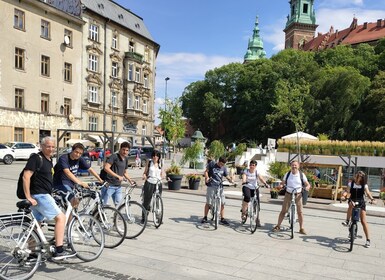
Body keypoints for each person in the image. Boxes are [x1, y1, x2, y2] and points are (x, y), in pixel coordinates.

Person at [22, 136, 75, 260]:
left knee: (36, 224)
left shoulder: (49, 160)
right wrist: (28, 196)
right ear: (42, 146)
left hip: (43, 195)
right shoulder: (36, 158)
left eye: (52, 146)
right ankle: (59, 250)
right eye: (48, 146)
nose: (51, 149)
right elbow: (26, 176)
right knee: (61, 218)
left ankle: (32, 253)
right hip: (40, 195)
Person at [53, 143, 103, 207]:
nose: (78, 154)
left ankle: (70, 214)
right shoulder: (64, 158)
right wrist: (80, 183)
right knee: (74, 201)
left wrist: (100, 180)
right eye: (76, 152)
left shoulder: (79, 159)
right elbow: (67, 172)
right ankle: (68, 216)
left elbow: (90, 169)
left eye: (80, 153)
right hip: (60, 183)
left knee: (76, 202)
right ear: (72, 150)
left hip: (71, 183)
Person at [272, 160, 310, 235]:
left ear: (298, 166)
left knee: (300, 212)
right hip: (288, 194)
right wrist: (281, 186)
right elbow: (283, 183)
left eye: (295, 165)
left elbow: (307, 184)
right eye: (292, 165)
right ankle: (278, 226)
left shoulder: (301, 175)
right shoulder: (288, 174)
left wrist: (307, 187)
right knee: (283, 211)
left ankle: (301, 228)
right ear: (291, 166)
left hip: (298, 194)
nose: (294, 166)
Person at [341, 171, 375, 248]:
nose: (359, 177)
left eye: (361, 177)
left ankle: (368, 239)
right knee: (350, 204)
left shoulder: (364, 185)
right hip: (352, 200)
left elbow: (368, 193)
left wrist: (372, 199)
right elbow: (347, 191)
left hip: (361, 202)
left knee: (363, 221)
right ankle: (347, 221)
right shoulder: (351, 184)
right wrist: (344, 196)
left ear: (363, 178)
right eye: (358, 176)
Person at [201, 156, 233, 225]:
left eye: (223, 164)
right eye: (221, 164)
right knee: (208, 202)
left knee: (222, 202)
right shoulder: (212, 164)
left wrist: (230, 179)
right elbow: (206, 172)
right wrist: (207, 178)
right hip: (211, 185)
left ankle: (222, 218)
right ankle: (205, 217)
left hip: (220, 186)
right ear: (218, 161)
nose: (222, 165)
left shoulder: (224, 167)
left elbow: (226, 175)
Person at [101, 141, 135, 207]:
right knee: (103, 205)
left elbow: (125, 172)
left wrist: (130, 180)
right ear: (120, 149)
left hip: (118, 186)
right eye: (123, 150)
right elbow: (106, 168)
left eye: (127, 150)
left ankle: (116, 217)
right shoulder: (114, 156)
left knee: (118, 205)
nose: (125, 152)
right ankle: (96, 216)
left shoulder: (125, 159)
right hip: (109, 185)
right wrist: (118, 176)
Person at [241, 160, 269, 225]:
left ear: (255, 166)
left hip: (255, 187)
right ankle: (244, 213)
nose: (252, 166)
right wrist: (244, 181)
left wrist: (265, 184)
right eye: (251, 165)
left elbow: (261, 178)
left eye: (253, 165)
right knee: (247, 197)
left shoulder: (257, 172)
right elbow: (244, 177)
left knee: (257, 204)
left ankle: (257, 219)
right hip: (247, 186)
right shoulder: (246, 171)